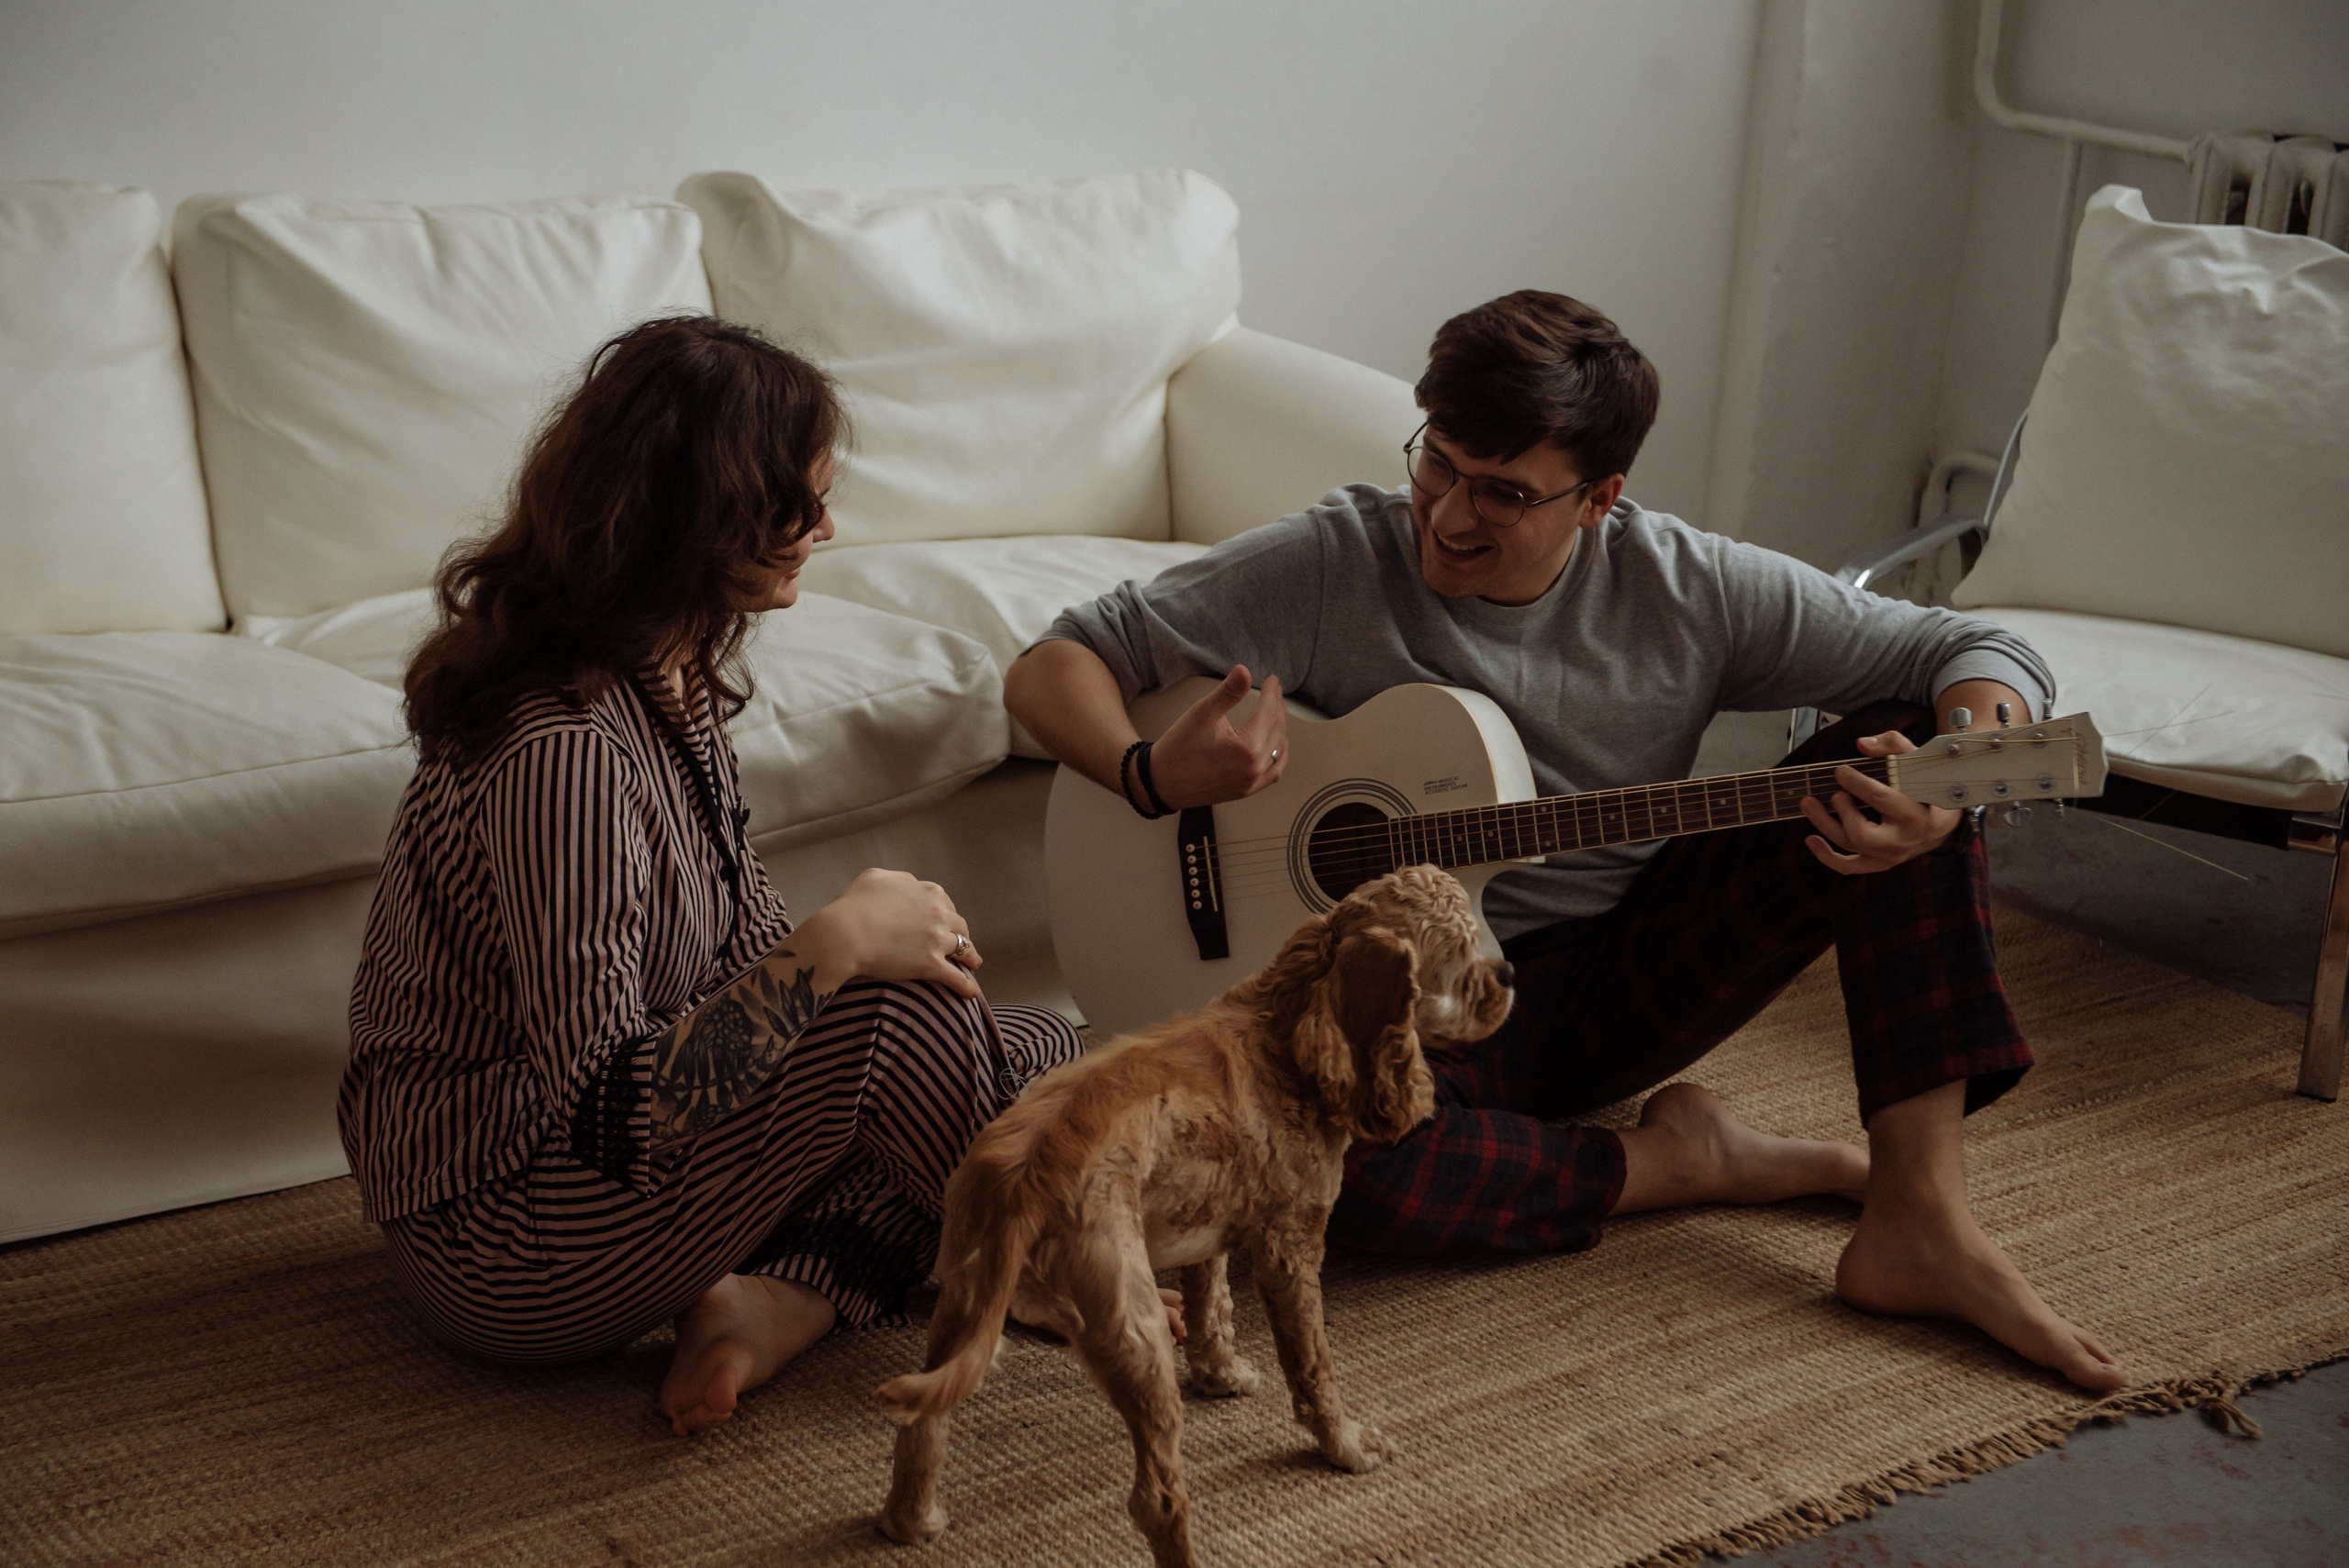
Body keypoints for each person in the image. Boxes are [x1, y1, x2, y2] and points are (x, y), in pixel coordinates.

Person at [1004, 291, 2127, 1393]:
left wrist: (1959, 775)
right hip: (1402, 1018)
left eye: (1503, 493)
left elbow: (1970, 643)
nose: (1448, 515)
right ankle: (1686, 1163)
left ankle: (1919, 1220)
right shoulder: (1333, 561)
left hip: (1614, 977)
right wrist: (1151, 774)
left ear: (1599, 497)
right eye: (1435, 461)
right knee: (1326, 1170)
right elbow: (1059, 661)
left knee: (1906, 768)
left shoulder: (1685, 587)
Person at [340, 317, 1082, 1437]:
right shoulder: (566, 753)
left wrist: (860, 964)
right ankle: (1049, 1270)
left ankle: (778, 1298)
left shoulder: (668, 671)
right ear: (702, 518)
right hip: (500, 1235)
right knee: (905, 1031)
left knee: (1040, 1046)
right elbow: (606, 1107)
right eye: (798, 503)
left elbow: (730, 966)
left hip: (612, 1172)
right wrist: (834, 948)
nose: (826, 527)